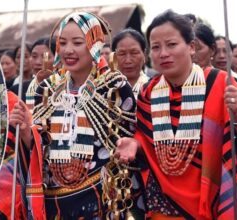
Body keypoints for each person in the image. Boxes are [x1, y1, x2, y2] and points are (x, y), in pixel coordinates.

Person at [9, 11, 144, 219]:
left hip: (102, 199)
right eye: (63, 43)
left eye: (78, 42)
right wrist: (27, 130)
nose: (68, 50)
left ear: (95, 45)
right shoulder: (46, 90)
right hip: (55, 203)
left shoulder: (114, 88)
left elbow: (125, 146)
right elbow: (39, 150)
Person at [117, 10, 237, 219]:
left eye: (172, 44)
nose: (163, 53)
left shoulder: (221, 84)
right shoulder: (148, 92)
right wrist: (135, 144)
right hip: (164, 205)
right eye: (156, 47)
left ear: (191, 47)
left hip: (213, 199)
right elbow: (146, 136)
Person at [112, 28, 149, 99]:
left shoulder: (155, 89)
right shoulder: (105, 90)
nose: (128, 60)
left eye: (134, 53)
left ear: (144, 54)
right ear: (113, 57)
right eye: (122, 54)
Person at [25, 36, 56, 112]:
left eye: (45, 57)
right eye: (34, 56)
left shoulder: (64, 90)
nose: (38, 62)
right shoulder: (19, 89)